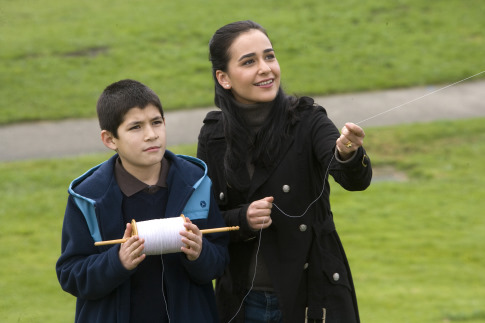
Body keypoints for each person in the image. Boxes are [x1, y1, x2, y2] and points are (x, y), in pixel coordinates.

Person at [197, 20, 372, 323]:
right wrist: (245, 219)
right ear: (224, 78)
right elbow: (207, 221)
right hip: (241, 302)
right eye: (249, 61)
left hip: (311, 298)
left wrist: (347, 153)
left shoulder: (308, 119)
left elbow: (350, 176)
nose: (265, 68)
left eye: (269, 56)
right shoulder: (213, 136)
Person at [56, 79, 229, 323]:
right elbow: (70, 275)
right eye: (135, 127)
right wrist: (117, 261)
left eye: (156, 122)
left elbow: (219, 262)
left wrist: (199, 253)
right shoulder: (88, 197)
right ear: (110, 139)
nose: (151, 135)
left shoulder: (196, 182)